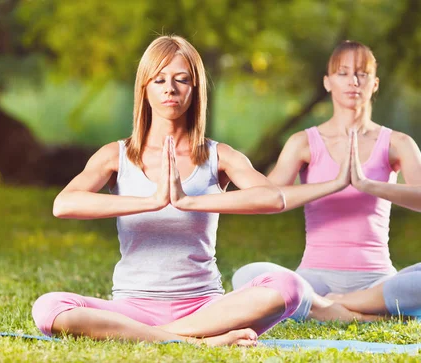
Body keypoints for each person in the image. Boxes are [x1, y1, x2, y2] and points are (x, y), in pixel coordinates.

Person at [31, 35, 353, 346]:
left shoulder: (218, 155)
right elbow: (64, 204)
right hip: (133, 308)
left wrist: (188, 200)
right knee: (48, 308)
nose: (170, 88)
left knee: (290, 286)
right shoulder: (116, 155)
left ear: (194, 89)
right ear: (144, 89)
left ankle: (166, 335)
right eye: (159, 80)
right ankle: (196, 342)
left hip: (205, 309)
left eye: (181, 79)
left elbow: (274, 197)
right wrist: (152, 201)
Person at [232, 40, 421, 323]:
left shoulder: (397, 142)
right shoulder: (303, 142)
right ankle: (362, 317)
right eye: (343, 73)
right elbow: (265, 200)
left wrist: (367, 184)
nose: (353, 81)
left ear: (375, 84)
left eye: (362, 73)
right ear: (327, 82)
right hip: (314, 279)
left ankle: (333, 308)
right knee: (246, 276)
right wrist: (333, 184)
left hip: (377, 283)